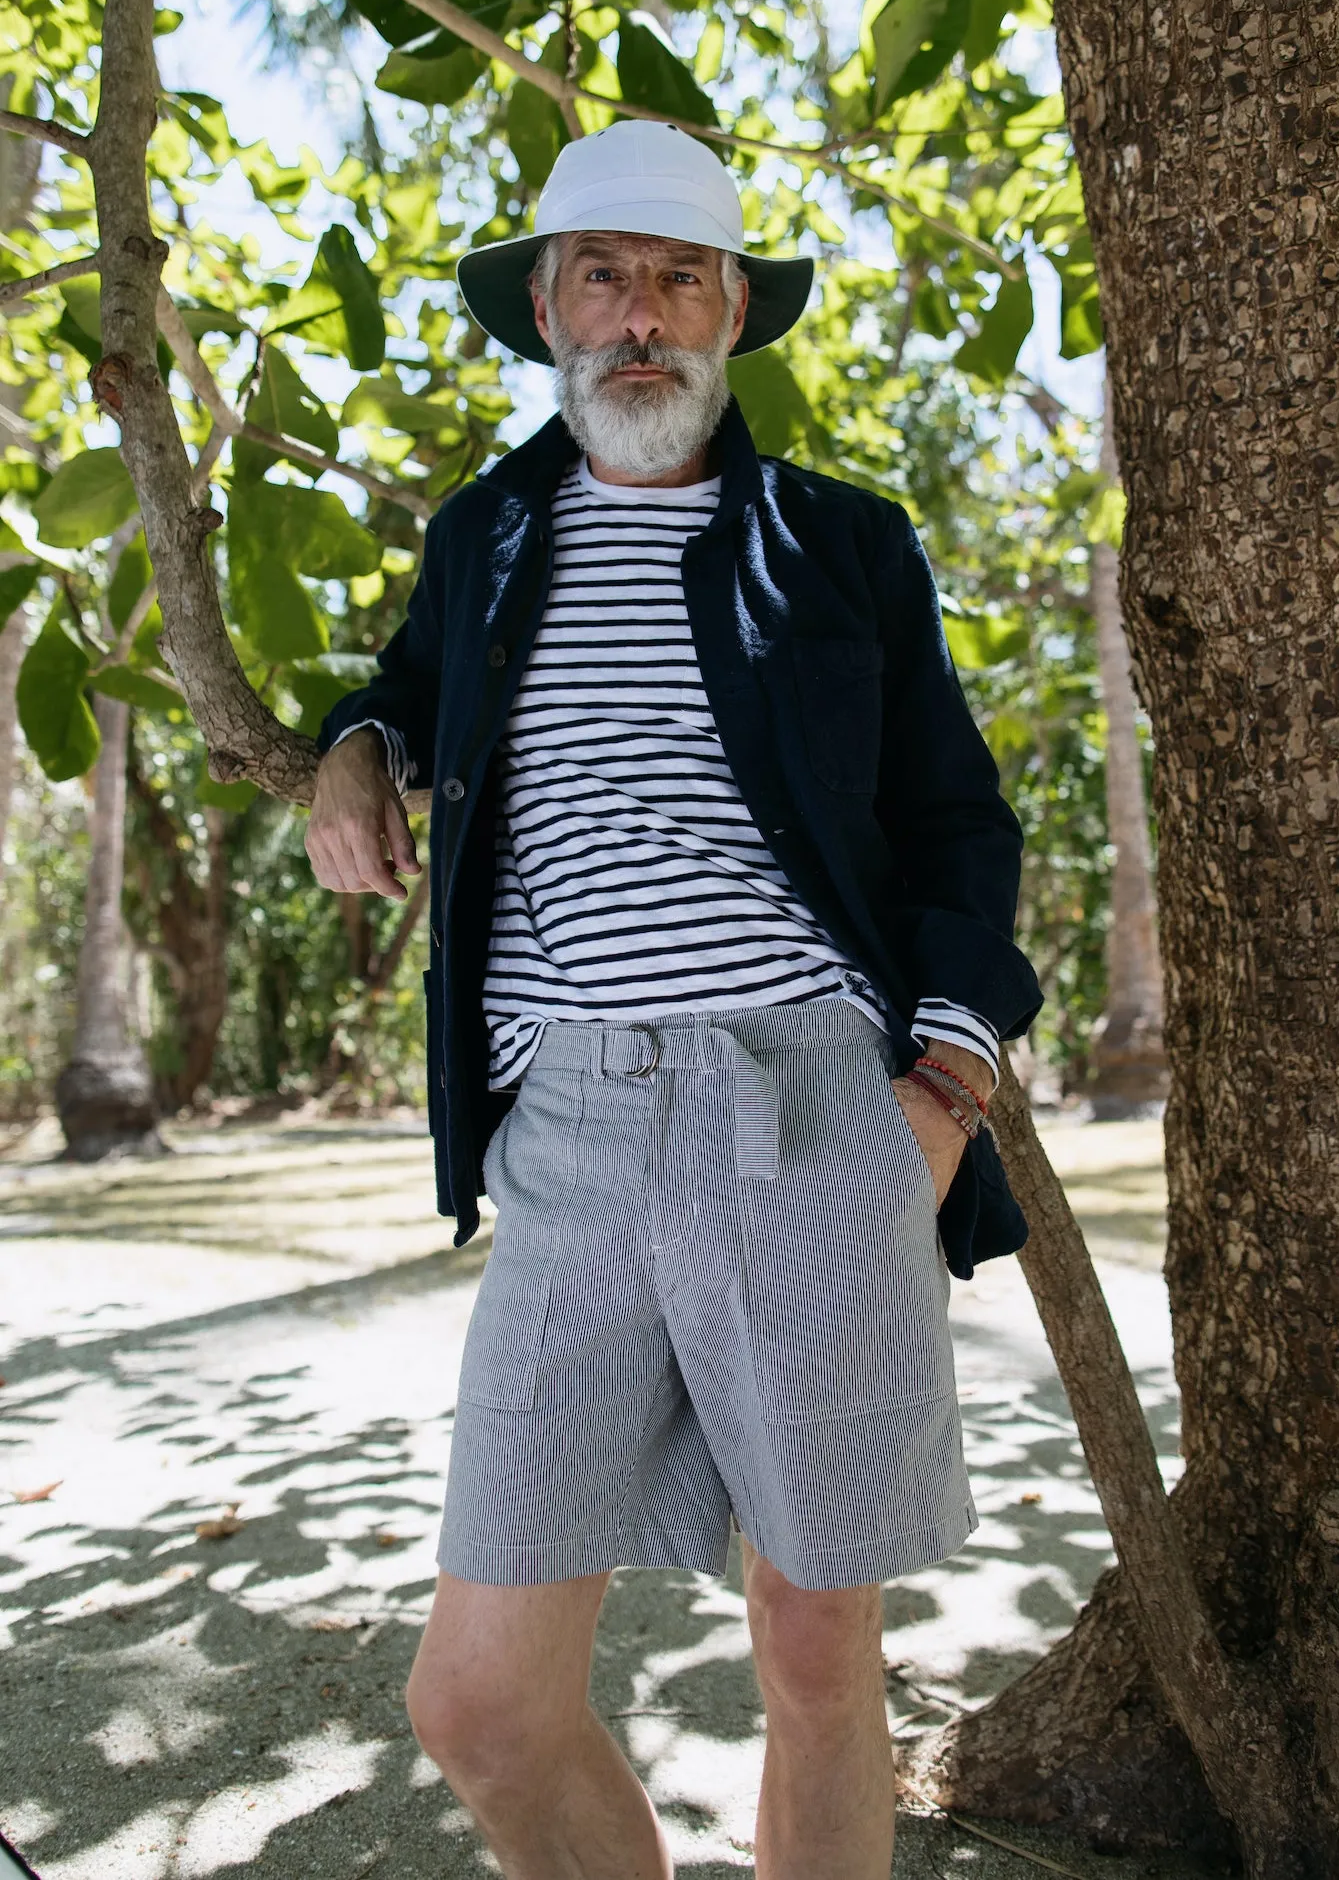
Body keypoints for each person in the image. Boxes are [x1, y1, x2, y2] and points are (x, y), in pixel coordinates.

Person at [306, 119, 1042, 1880]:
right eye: (608, 277)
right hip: (569, 1122)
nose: (643, 316)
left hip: (815, 1104)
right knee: (479, 1701)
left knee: (811, 1641)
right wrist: (353, 746)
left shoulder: (840, 543)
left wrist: (941, 1093)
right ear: (551, 307)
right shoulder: (485, 534)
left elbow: (956, 819)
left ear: (731, 314)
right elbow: (407, 694)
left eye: (682, 280)